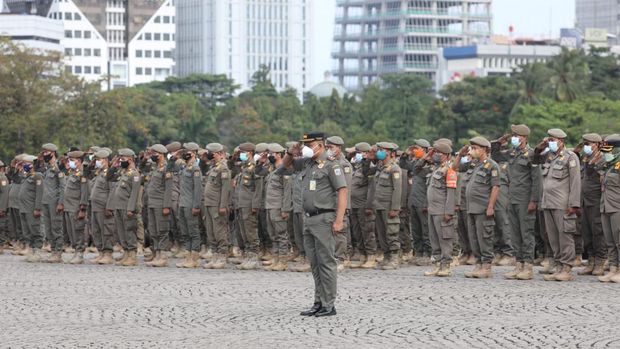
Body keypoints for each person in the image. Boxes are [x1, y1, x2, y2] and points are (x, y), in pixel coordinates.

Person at [284, 132, 347, 317]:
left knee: (326, 262)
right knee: (314, 263)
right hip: (309, 218)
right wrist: (291, 151)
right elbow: (285, 165)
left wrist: (339, 220)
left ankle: (329, 304)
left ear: (319, 145)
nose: (305, 148)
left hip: (324, 218)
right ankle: (318, 301)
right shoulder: (308, 163)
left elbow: (342, 191)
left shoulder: (331, 165)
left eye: (308, 144)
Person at [491, 124, 541, 280]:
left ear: (524, 137)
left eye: (516, 135)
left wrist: (534, 200)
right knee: (515, 233)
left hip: (525, 199)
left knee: (526, 233)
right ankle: (518, 264)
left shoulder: (532, 155)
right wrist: (498, 142)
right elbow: (496, 156)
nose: (513, 137)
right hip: (512, 199)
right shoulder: (512, 153)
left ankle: (528, 266)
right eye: (512, 135)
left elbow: (537, 180)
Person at [533, 128, 581, 282]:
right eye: (549, 140)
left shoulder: (570, 157)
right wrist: (540, 147)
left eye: (553, 140)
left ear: (561, 141)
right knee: (553, 237)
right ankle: (559, 265)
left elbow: (575, 182)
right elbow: (534, 160)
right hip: (548, 203)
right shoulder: (548, 156)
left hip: (563, 204)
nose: (551, 142)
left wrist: (574, 204)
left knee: (565, 236)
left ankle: (566, 268)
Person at [461, 137, 501, 279]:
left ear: (484, 149)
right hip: (471, 208)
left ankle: (486, 266)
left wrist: (490, 206)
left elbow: (495, 187)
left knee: (484, 237)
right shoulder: (474, 165)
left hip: (483, 208)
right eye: (472, 148)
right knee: (474, 238)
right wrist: (461, 154)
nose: (473, 151)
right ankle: (478, 264)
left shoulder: (492, 165)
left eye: (475, 148)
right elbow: (456, 167)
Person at [574, 133, 607, 276]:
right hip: (585, 200)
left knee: (597, 231)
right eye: (585, 143)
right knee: (586, 232)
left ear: (598, 144)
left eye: (589, 143)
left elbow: (603, 179)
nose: (586, 146)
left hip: (596, 200)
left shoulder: (603, 159)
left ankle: (601, 261)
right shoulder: (586, 158)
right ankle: (591, 261)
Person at [423, 142, 457, 277]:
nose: (436, 155)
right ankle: (436, 264)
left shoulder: (449, 170)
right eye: (435, 152)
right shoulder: (435, 169)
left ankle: (446, 265)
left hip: (442, 210)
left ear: (447, 155)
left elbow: (451, 193)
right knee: (434, 239)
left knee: (445, 238)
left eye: (439, 153)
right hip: (432, 209)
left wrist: (449, 211)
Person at [106, 148, 141, 267]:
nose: (121, 160)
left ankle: (132, 255)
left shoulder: (135, 174)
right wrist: (114, 166)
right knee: (121, 232)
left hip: (127, 207)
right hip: (119, 206)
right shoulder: (122, 172)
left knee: (129, 231)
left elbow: (134, 193)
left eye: (123, 158)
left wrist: (131, 208)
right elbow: (109, 178)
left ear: (130, 159)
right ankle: (126, 253)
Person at [372, 142, 402, 270]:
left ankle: (394, 258)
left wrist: (395, 208)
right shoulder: (380, 167)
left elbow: (397, 189)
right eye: (379, 149)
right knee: (381, 233)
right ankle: (386, 256)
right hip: (379, 205)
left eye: (382, 150)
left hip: (388, 205)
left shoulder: (394, 169)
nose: (380, 152)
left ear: (390, 153)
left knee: (391, 232)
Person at [263, 143, 293, 271]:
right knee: (272, 234)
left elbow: (287, 191)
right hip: (270, 205)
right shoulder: (273, 169)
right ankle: (275, 258)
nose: (269, 156)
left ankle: (283, 260)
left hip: (278, 206)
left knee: (281, 234)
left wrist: (286, 209)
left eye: (271, 154)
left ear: (279, 155)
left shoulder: (284, 169)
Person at [202, 143, 232, 269]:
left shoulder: (223, 168)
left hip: (217, 204)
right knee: (210, 231)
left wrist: (223, 206)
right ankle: (214, 255)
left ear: (217, 153)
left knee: (219, 231)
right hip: (209, 204)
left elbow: (225, 189)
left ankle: (222, 256)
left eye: (211, 153)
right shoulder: (213, 168)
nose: (209, 155)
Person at [348, 142, 378, 269]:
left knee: (367, 230)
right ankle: (362, 255)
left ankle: (371, 255)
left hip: (363, 204)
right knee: (356, 231)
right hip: (353, 204)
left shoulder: (369, 167)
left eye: (358, 152)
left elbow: (371, 186)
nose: (356, 155)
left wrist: (369, 205)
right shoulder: (356, 166)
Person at [144, 144, 173, 267]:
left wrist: (166, 205)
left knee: (162, 230)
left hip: (161, 203)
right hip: (151, 203)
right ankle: (156, 253)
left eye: (154, 153)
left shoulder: (166, 168)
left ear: (160, 154)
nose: (152, 156)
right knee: (153, 230)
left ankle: (163, 255)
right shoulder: (155, 168)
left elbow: (168, 189)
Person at [176, 143, 203, 268]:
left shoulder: (195, 169)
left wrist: (196, 205)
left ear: (193, 153)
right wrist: (175, 156)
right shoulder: (185, 167)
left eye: (187, 151)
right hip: (182, 203)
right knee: (185, 231)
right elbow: (170, 167)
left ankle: (194, 258)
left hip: (190, 204)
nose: (184, 152)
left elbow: (198, 189)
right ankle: (187, 256)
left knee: (193, 231)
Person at [598, 134, 620, 283]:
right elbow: (596, 166)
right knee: (610, 241)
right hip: (606, 206)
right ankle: (613, 268)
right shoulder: (609, 165)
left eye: (609, 150)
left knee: (619, 240)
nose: (607, 153)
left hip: (617, 206)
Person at [62, 150, 89, 264]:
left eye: (71, 160)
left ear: (78, 161)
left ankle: (80, 253)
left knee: (78, 230)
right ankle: (75, 251)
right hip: (68, 206)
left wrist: (82, 208)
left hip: (76, 207)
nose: (69, 162)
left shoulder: (82, 174)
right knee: (70, 231)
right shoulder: (73, 172)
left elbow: (84, 192)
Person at [40, 143, 65, 263]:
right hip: (45, 201)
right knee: (48, 228)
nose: (44, 154)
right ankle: (53, 249)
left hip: (54, 202)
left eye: (46, 152)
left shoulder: (58, 168)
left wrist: (61, 203)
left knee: (56, 227)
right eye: (43, 152)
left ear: (53, 153)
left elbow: (62, 187)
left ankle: (58, 252)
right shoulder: (47, 167)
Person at [89, 149, 115, 265]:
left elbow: (112, 191)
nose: (96, 162)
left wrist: (109, 207)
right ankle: (101, 252)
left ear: (105, 160)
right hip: (95, 205)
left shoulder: (110, 173)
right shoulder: (99, 172)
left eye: (98, 160)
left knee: (106, 229)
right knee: (96, 230)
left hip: (104, 206)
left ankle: (108, 253)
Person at [19, 155, 44, 263]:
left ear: (31, 164)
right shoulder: (26, 176)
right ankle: (31, 249)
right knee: (27, 231)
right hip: (23, 208)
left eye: (25, 163)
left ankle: (37, 251)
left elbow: (40, 193)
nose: (23, 165)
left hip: (31, 208)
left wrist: (37, 208)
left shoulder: (37, 176)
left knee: (35, 229)